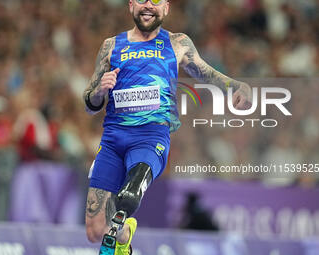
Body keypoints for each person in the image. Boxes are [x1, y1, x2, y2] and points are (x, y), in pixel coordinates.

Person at [83, 0, 251, 254]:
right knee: (95, 231)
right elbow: (90, 103)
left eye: (156, 1)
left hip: (150, 138)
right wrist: (100, 89)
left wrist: (235, 86)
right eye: (142, 0)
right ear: (131, 6)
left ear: (166, 8)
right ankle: (124, 234)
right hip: (113, 140)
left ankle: (122, 219)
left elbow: (205, 72)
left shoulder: (177, 42)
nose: (148, 5)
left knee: (128, 197)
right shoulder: (111, 45)